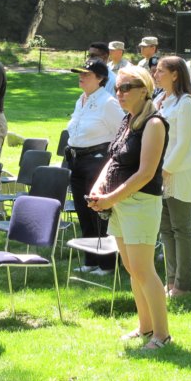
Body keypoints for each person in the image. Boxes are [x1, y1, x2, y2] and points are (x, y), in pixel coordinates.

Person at [89, 66, 171, 350]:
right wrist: (100, 188)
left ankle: (162, 335)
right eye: (118, 88)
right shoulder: (128, 120)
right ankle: (145, 327)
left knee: (143, 269)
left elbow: (147, 172)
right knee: (131, 267)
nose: (119, 93)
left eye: (126, 88)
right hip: (121, 203)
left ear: (144, 90)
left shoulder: (155, 124)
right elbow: (113, 160)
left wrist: (111, 198)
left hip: (141, 204)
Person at [154, 56, 191, 298]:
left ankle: (182, 285)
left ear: (175, 74)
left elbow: (184, 143)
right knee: (165, 228)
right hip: (162, 171)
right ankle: (170, 280)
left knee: (181, 228)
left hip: (181, 171)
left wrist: (165, 171)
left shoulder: (186, 102)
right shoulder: (161, 100)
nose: (156, 75)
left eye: (161, 71)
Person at [66, 58, 124, 275]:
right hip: (77, 160)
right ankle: (91, 259)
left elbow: (121, 131)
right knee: (83, 211)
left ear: (100, 79)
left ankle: (107, 262)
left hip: (97, 161)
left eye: (87, 74)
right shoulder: (81, 99)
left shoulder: (108, 103)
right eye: (80, 73)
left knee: (98, 211)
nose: (81, 77)